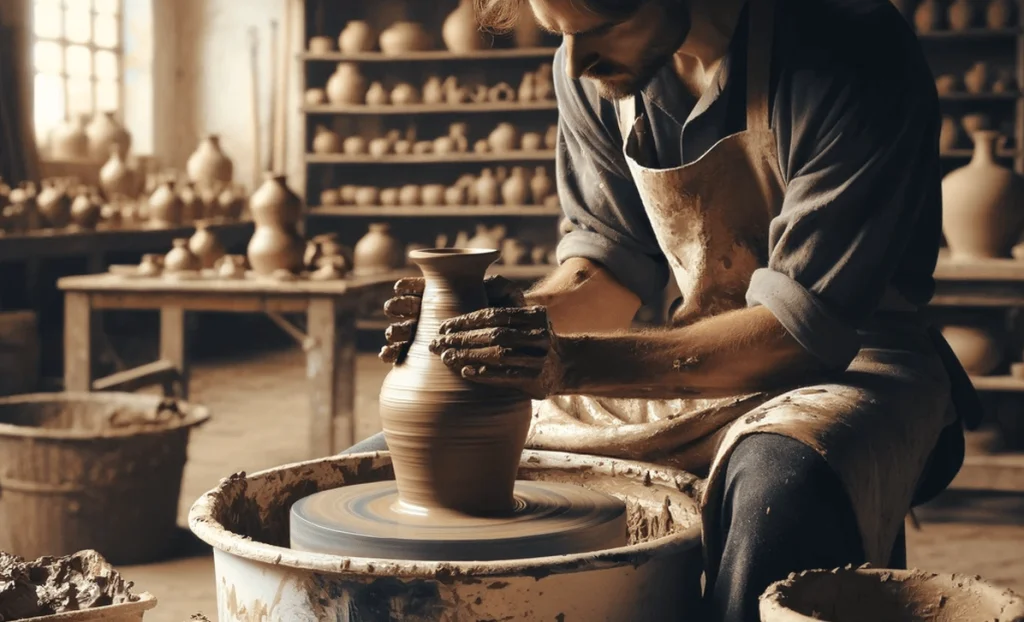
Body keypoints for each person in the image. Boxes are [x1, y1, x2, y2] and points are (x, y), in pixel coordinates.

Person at [346, 0, 982, 619]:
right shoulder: (595, 75)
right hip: (681, 360)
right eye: (557, 34)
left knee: (777, 484)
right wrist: (516, 322)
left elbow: (803, 329)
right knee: (372, 467)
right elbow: (612, 263)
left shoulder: (850, 51)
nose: (573, 64)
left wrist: (567, 363)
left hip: (856, 364)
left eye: (599, 28)